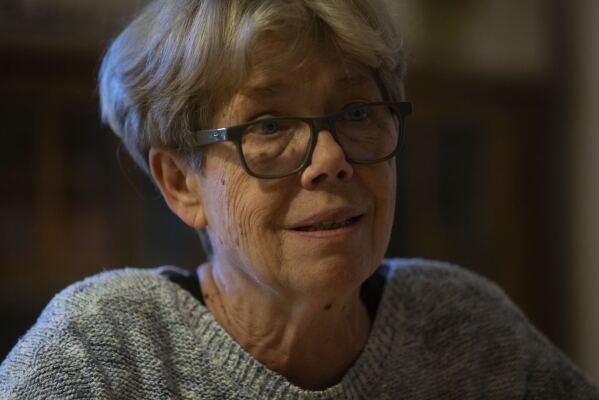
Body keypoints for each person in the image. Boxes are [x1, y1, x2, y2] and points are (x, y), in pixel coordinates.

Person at [1, 0, 598, 398]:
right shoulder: (104, 354)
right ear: (182, 184)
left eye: (358, 111)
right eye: (267, 125)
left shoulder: (462, 328)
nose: (332, 157)